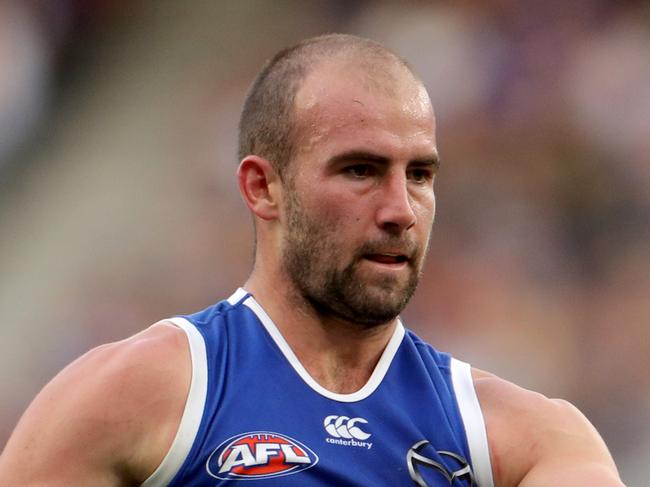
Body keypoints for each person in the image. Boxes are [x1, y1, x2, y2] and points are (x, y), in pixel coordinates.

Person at [0, 34, 623, 487]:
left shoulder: (525, 439)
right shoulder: (134, 397)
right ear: (262, 188)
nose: (400, 209)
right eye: (361, 170)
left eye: (421, 174)